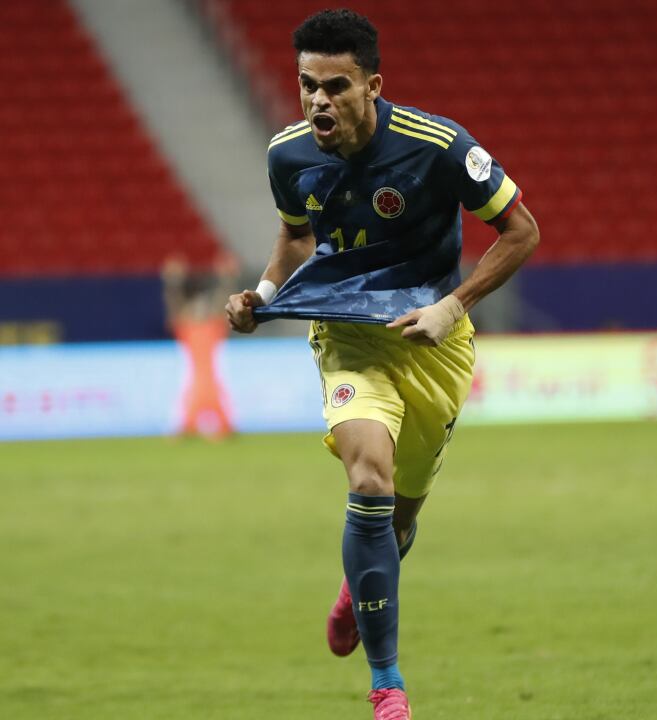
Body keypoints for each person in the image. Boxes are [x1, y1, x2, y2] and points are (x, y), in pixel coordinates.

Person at [224, 10, 539, 719]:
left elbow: (522, 231)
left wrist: (452, 306)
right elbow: (295, 238)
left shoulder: (440, 146)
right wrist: (263, 296)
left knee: (398, 516)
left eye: (335, 87)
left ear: (372, 85)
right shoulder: (288, 154)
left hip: (433, 343)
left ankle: (355, 588)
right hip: (348, 338)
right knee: (368, 475)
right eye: (307, 85)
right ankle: (388, 685)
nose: (317, 102)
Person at [162, 253, 236, 440]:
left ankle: (216, 429)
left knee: (214, 403)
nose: (199, 309)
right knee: (190, 403)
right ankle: (190, 428)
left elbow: (223, 305)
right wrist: (173, 284)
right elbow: (175, 309)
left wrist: (226, 280)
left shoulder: (213, 327)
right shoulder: (187, 329)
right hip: (194, 379)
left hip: (211, 379)